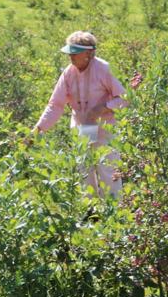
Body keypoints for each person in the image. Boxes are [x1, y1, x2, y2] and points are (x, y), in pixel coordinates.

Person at [32, 30, 128, 196]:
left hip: (105, 128)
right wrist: (38, 129)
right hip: (82, 126)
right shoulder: (69, 73)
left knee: (108, 169)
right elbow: (56, 105)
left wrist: (103, 107)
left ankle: (115, 213)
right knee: (84, 169)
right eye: (70, 53)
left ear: (89, 53)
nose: (71, 57)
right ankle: (90, 212)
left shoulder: (103, 69)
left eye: (75, 54)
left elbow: (125, 99)